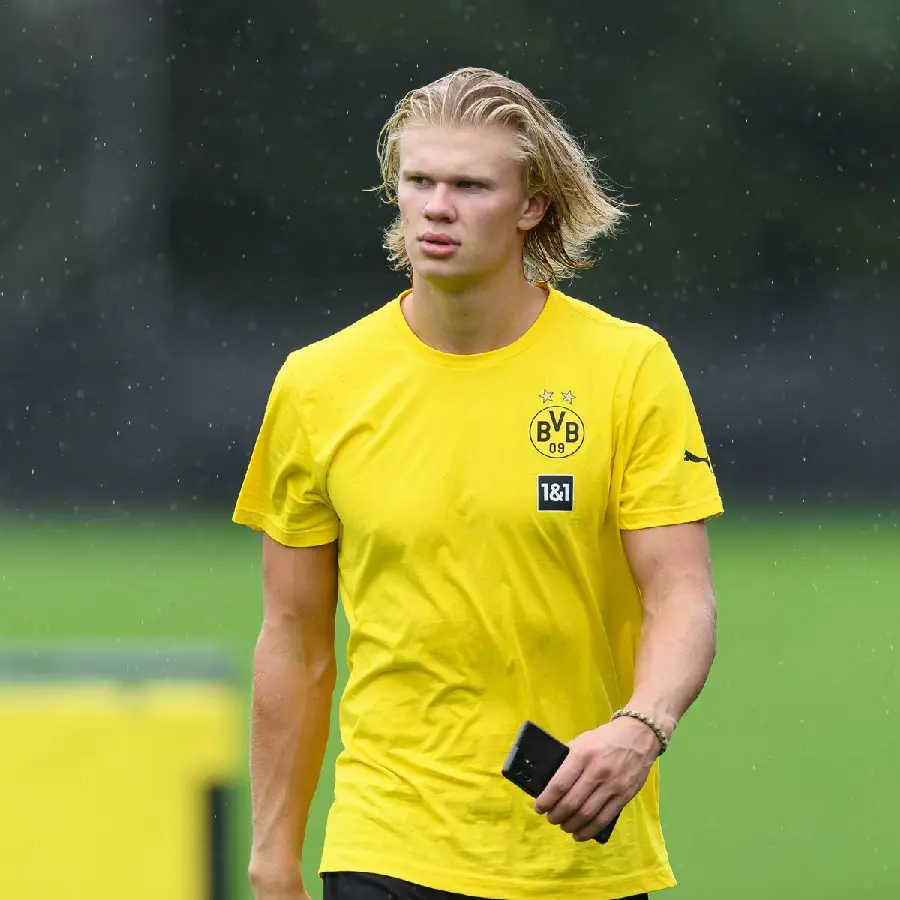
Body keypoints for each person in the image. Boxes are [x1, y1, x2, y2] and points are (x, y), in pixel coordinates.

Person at [233, 66, 724, 900]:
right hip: (388, 842)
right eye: (418, 181)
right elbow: (294, 639)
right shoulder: (317, 385)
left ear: (531, 205)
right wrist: (273, 859)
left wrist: (642, 726)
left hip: (576, 850)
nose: (437, 207)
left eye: (469, 186)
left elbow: (681, 595)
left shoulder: (627, 367)